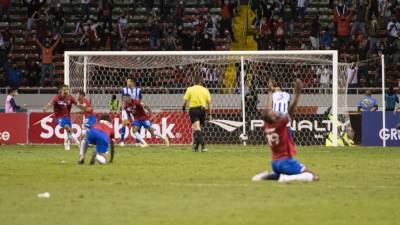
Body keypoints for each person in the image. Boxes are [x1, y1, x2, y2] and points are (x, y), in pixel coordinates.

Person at [252, 79, 319, 183]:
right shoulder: (280, 124)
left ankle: (266, 176)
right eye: (272, 112)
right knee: (313, 176)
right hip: (285, 161)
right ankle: (286, 178)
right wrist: (297, 93)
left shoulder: (266, 125)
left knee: (280, 172)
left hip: (275, 163)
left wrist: (270, 92)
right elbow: (291, 111)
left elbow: (268, 109)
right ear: (273, 118)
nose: (273, 110)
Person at [43, 85, 86, 150]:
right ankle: (78, 143)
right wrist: (46, 108)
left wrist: (84, 108)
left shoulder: (70, 98)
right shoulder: (56, 98)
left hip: (67, 117)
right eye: (64, 90)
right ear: (61, 91)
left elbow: (78, 105)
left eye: (67, 90)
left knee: (69, 132)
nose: (66, 91)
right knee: (68, 128)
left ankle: (66, 143)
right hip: (59, 118)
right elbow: (50, 104)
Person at [182, 75, 212, 152]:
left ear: (194, 82)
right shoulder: (205, 90)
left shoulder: (190, 89)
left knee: (197, 129)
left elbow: (185, 101)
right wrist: (209, 114)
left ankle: (203, 145)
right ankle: (196, 148)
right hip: (202, 111)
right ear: (201, 82)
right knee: (198, 129)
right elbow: (209, 103)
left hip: (194, 110)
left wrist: (183, 108)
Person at [120, 79, 142, 147]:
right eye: (127, 82)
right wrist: (122, 107)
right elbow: (123, 99)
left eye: (129, 81)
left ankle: (137, 142)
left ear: (133, 82)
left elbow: (139, 100)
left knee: (137, 125)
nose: (127, 83)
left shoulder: (139, 90)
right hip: (126, 108)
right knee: (124, 123)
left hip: (135, 110)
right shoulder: (124, 89)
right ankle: (122, 141)